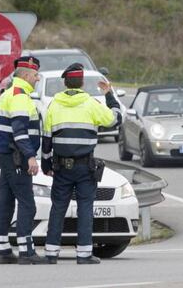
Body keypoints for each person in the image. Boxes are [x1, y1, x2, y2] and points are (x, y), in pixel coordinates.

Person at [41, 63, 122, 264]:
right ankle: (84, 254)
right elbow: (115, 119)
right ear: (82, 83)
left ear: (65, 83)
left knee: (58, 208)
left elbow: (46, 138)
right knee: (85, 208)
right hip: (85, 167)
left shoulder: (54, 104)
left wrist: (46, 164)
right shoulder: (91, 104)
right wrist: (109, 94)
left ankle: (51, 253)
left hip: (60, 167)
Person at [0, 56, 48, 264]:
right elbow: (19, 131)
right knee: (27, 203)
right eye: (35, 75)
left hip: (7, 155)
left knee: (6, 201)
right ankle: (27, 251)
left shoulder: (10, 93)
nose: (37, 79)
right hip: (16, 156)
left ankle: (3, 250)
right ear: (25, 75)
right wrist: (30, 156)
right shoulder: (19, 96)